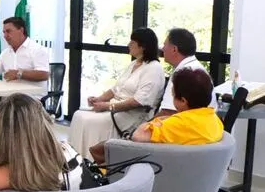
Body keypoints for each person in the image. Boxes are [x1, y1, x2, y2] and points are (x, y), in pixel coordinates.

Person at [68, 27, 165, 160]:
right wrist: (99, 99)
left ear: (143, 46)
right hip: (115, 108)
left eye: (132, 42)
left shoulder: (153, 68)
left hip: (132, 115)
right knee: (79, 115)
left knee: (87, 120)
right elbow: (116, 89)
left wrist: (107, 106)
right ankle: (75, 159)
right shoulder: (134, 64)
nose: (128, 45)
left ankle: (91, 162)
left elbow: (138, 102)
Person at [130, 68, 223, 145]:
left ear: (183, 101)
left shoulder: (177, 124)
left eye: (173, 95)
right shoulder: (216, 120)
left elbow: (138, 136)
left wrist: (157, 121)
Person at [158, 28, 209, 117]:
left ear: (174, 49)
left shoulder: (184, 73)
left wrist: (143, 127)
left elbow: (168, 113)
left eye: (164, 44)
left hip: (184, 127)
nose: (162, 49)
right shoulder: (195, 69)